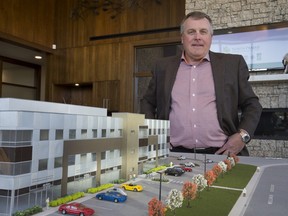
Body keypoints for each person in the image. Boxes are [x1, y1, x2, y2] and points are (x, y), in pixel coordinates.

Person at [140, 11, 262, 156]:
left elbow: (252, 105)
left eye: (203, 31)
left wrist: (243, 136)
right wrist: (154, 134)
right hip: (172, 153)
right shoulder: (163, 67)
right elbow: (147, 102)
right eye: (191, 32)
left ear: (210, 37)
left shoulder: (233, 64)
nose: (197, 37)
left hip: (221, 153)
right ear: (182, 38)